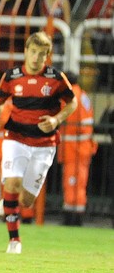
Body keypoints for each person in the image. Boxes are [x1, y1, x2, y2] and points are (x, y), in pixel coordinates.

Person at [0, 32, 77, 255]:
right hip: (15, 138)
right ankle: (14, 240)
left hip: (44, 144)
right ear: (26, 51)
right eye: (33, 52)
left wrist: (57, 119)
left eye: (41, 54)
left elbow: (72, 102)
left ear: (47, 56)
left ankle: (8, 203)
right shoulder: (11, 76)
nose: (36, 57)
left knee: (26, 201)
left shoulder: (56, 78)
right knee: (12, 184)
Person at [58, 71, 97, 226]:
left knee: (72, 183)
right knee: (79, 182)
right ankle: (76, 214)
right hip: (82, 147)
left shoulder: (70, 96)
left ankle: (72, 218)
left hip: (74, 148)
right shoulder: (83, 95)